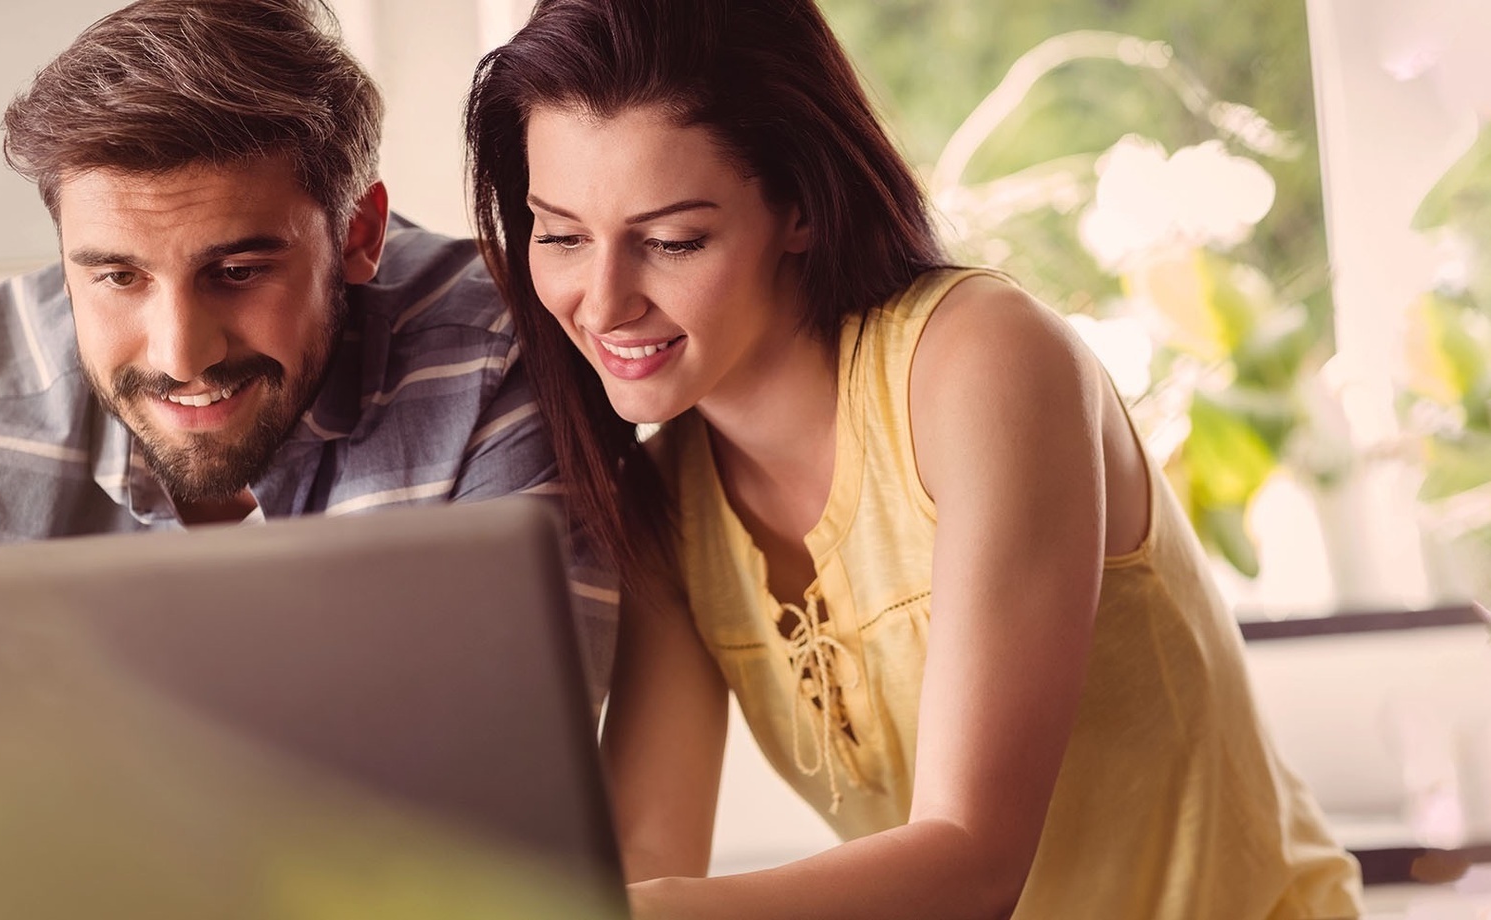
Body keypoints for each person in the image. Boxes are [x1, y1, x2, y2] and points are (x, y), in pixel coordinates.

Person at [465, 0, 1364, 917]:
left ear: (801, 208)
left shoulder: (982, 361)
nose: (603, 301)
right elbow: (649, 854)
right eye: (562, 234)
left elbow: (973, 862)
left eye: (671, 241)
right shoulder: (668, 501)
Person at [0, 0, 613, 700]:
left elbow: (503, 780)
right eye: (118, 277)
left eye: (236, 273)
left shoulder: (503, 360)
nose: (181, 356)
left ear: (357, 235)